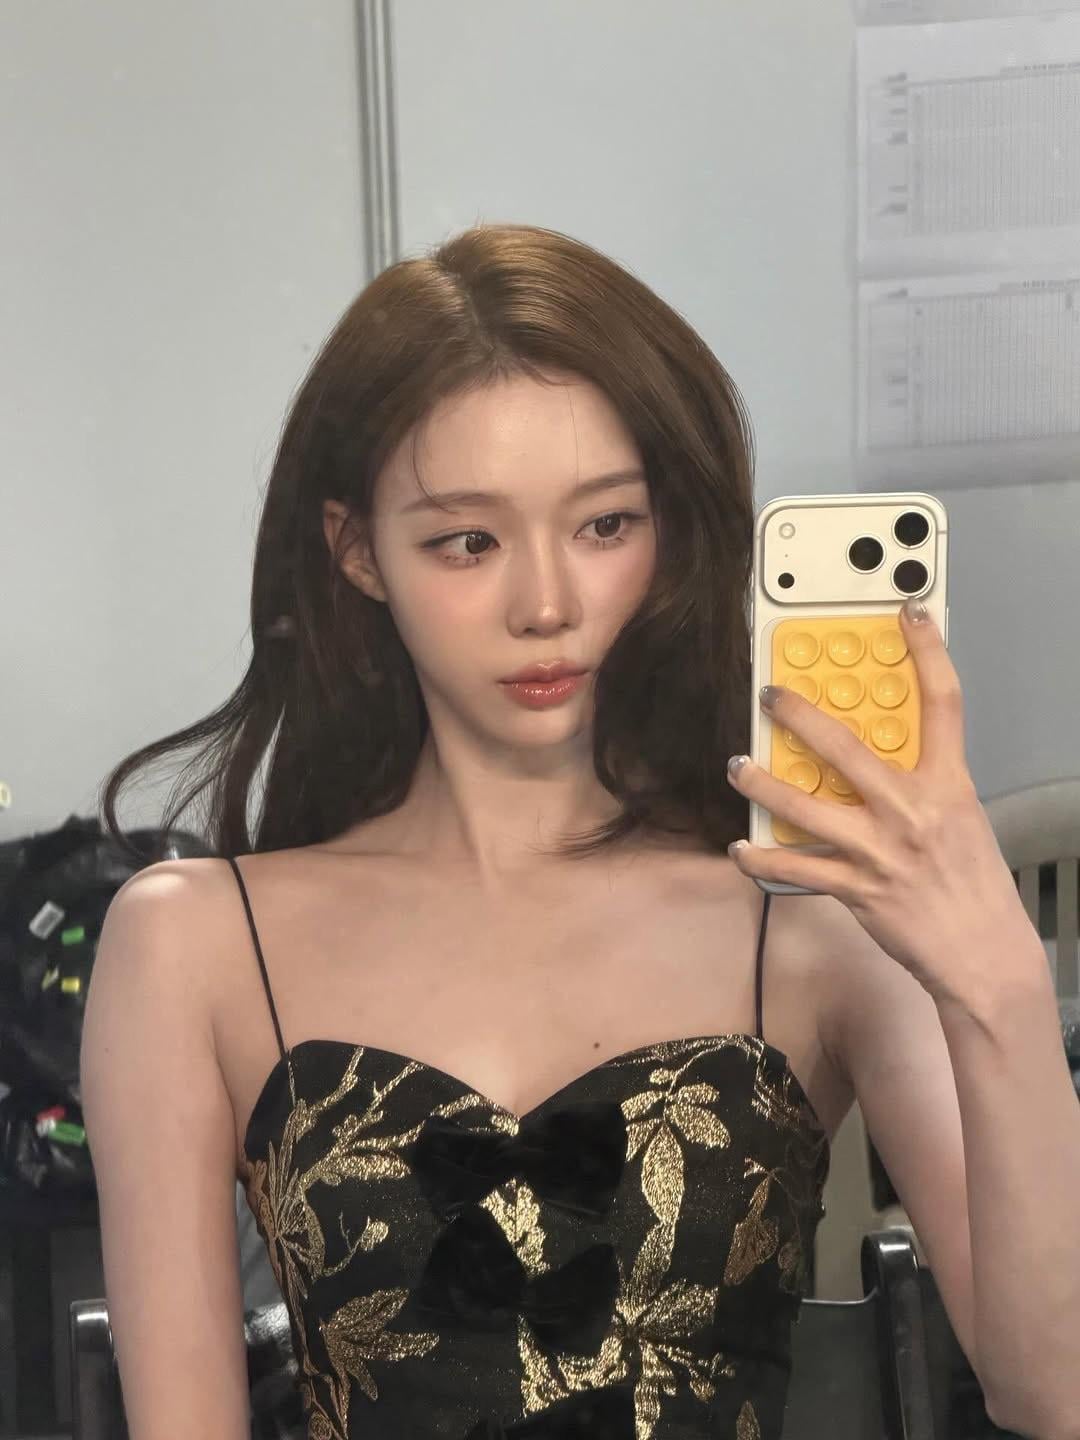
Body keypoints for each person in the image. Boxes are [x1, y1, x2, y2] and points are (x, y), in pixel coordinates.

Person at [77, 223, 962, 1439]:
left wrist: (994, 969)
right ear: (358, 551)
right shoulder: (192, 946)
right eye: (468, 542)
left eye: (605, 527)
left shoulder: (812, 916)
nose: (545, 604)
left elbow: (1056, 1382)